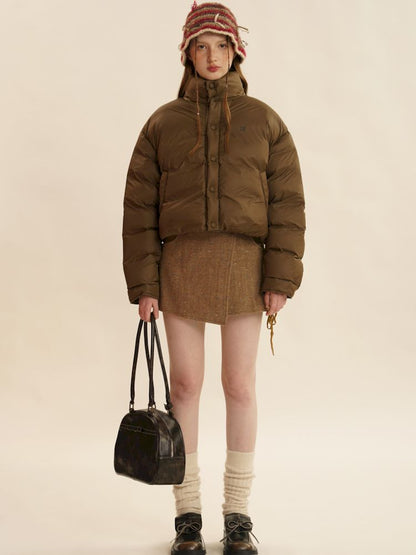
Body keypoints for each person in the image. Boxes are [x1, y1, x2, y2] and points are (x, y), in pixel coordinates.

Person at [122, 2, 305, 554]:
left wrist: (279, 277)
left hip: (245, 268)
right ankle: (187, 517)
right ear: (187, 54)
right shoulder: (162, 124)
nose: (211, 56)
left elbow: (287, 204)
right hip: (179, 266)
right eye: (200, 46)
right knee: (184, 387)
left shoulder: (264, 121)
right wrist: (145, 284)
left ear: (236, 52)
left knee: (239, 386)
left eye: (221, 46)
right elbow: (139, 208)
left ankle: (238, 515)